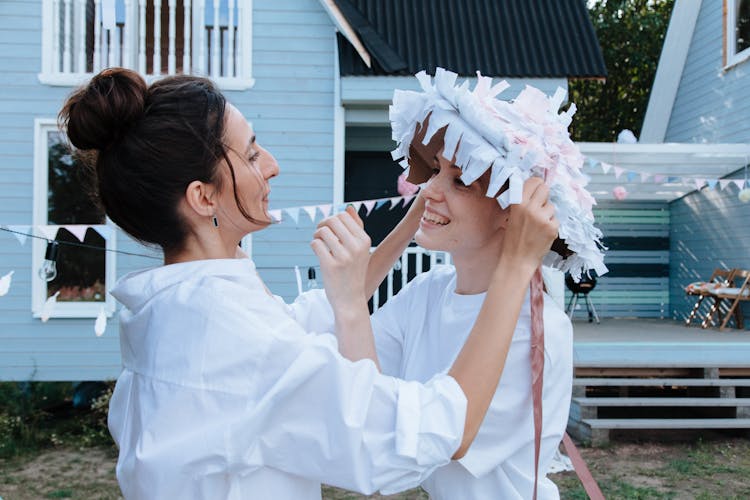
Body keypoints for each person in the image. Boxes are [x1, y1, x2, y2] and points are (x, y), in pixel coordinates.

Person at [58, 67, 558, 499]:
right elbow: (426, 433)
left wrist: (414, 216)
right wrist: (516, 266)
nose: (272, 165)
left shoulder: (186, 313)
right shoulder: (232, 338)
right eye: (252, 155)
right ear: (203, 198)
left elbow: (305, 323)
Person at [336, 68, 607, 499]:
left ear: (511, 211)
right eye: (435, 171)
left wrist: (350, 293)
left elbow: (429, 442)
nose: (428, 190)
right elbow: (353, 374)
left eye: (460, 180)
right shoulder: (428, 292)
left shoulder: (538, 331)